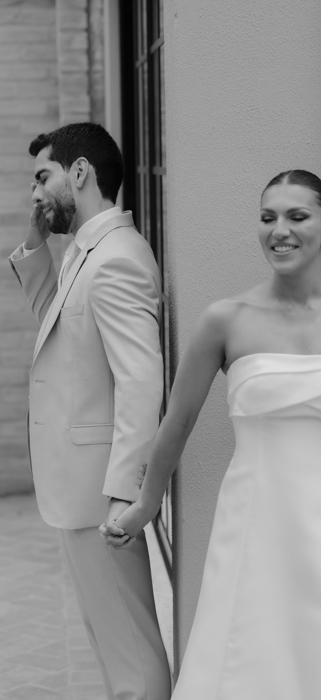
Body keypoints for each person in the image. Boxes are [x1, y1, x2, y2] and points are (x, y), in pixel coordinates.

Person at [103, 169, 321, 699]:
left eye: (296, 216)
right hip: (254, 515)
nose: (279, 230)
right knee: (251, 646)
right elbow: (178, 421)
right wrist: (145, 504)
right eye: (268, 218)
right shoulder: (225, 320)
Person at [9, 123, 171, 700]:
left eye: (42, 177)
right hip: (81, 490)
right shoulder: (88, 251)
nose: (35, 193)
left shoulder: (117, 259)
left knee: (132, 656)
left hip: (103, 493)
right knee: (113, 645)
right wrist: (36, 248)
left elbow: (140, 382)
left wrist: (126, 494)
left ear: (80, 172)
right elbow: (59, 326)